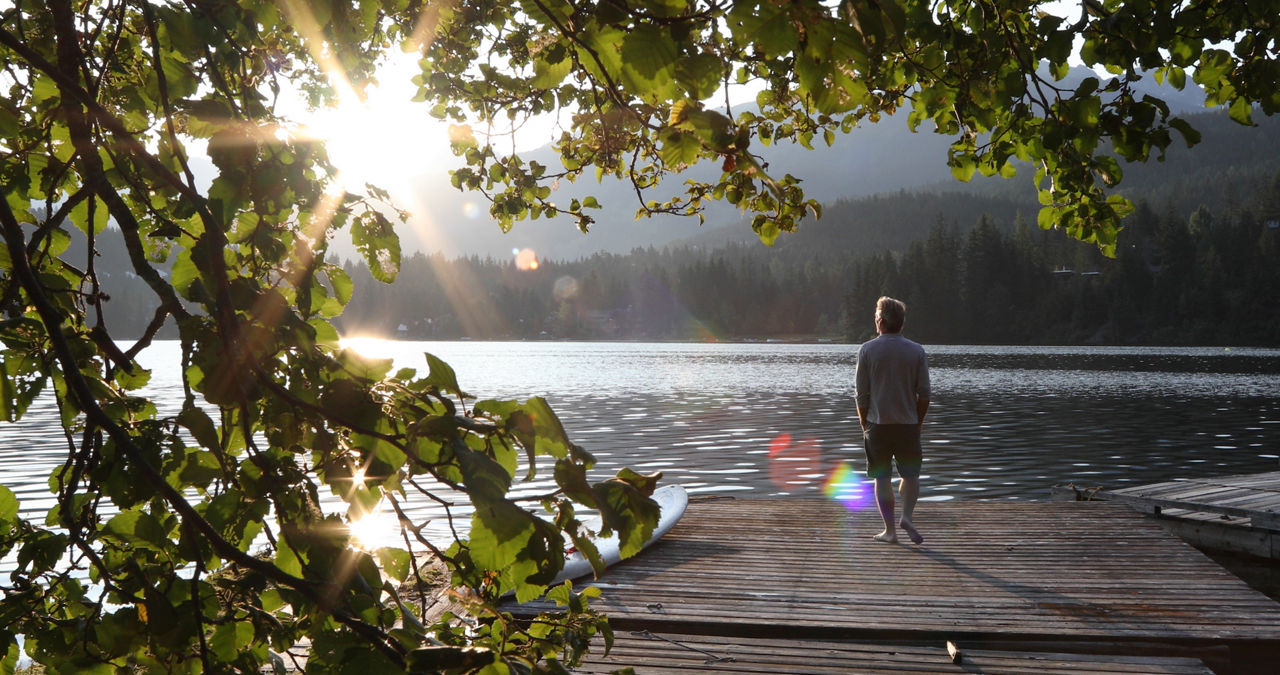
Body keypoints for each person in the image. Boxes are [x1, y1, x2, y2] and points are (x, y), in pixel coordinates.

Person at [854, 296, 930, 544]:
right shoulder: (916, 350)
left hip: (878, 424)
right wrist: (917, 422)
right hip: (908, 424)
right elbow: (925, 394)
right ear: (901, 322)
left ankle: (890, 531)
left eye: (876, 316)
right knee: (911, 475)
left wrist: (865, 424)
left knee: (882, 478)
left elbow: (861, 395)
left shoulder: (867, 350)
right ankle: (907, 516)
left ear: (881, 320)